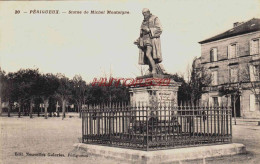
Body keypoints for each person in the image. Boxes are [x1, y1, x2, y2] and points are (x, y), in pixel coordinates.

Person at [134, 8, 165, 75]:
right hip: (144, 40)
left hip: (151, 40)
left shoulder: (154, 18)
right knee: (147, 55)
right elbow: (142, 33)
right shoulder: (143, 21)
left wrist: (149, 30)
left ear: (148, 12)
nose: (144, 15)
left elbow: (160, 29)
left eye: (145, 13)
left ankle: (154, 69)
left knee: (148, 54)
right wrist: (138, 40)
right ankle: (151, 69)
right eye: (143, 14)